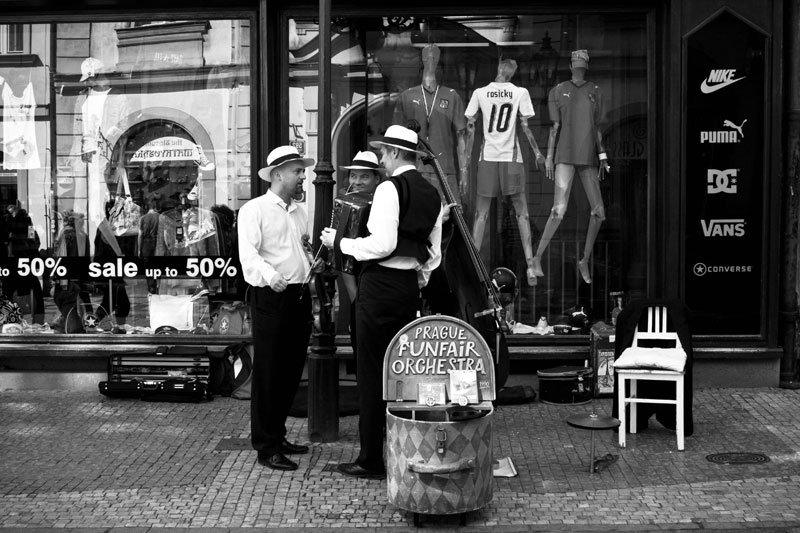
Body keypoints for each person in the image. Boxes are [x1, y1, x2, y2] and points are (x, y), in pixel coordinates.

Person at [321, 125, 444, 479]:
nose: (382, 161)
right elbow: (433, 253)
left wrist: (339, 243)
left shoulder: (391, 187)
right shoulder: (431, 192)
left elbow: (382, 244)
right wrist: (416, 279)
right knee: (400, 373)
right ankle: (403, 449)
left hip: (379, 285)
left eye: (383, 155)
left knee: (372, 375)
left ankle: (371, 459)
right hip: (407, 287)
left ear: (391, 154)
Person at [237, 145, 320, 472]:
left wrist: (312, 271)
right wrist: (272, 276)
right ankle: (266, 445)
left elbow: (302, 250)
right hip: (271, 296)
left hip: (298, 295)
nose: (303, 176)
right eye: (298, 170)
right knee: (270, 373)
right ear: (277, 175)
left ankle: (278, 434)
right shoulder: (253, 210)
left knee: (289, 370)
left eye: (303, 170)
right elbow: (249, 255)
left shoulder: (299, 211)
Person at [530, 50, 611, 284]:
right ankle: (536, 257)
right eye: (576, 63)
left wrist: (603, 155)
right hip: (564, 155)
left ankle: (584, 260)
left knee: (599, 212)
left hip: (587, 156)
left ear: (586, 65)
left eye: (582, 63)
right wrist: (549, 156)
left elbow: (597, 128)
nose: (579, 67)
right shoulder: (558, 90)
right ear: (570, 65)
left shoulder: (595, 90)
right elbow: (555, 127)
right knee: (558, 210)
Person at [465, 58, 544, 286]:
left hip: (488, 156)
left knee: (482, 214)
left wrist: (466, 163)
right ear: (512, 72)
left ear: (498, 68)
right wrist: (538, 153)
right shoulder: (520, 92)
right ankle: (529, 266)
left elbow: (470, 128)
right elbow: (526, 127)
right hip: (511, 157)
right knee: (522, 213)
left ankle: (473, 264)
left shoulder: (480, 93)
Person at [392, 44, 468, 205]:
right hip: (414, 167)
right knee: (417, 213)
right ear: (422, 60)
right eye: (427, 56)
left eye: (435, 58)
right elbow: (395, 139)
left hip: (445, 167)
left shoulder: (452, 96)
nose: (431, 60)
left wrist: (464, 171)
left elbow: (462, 137)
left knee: (451, 214)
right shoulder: (407, 96)